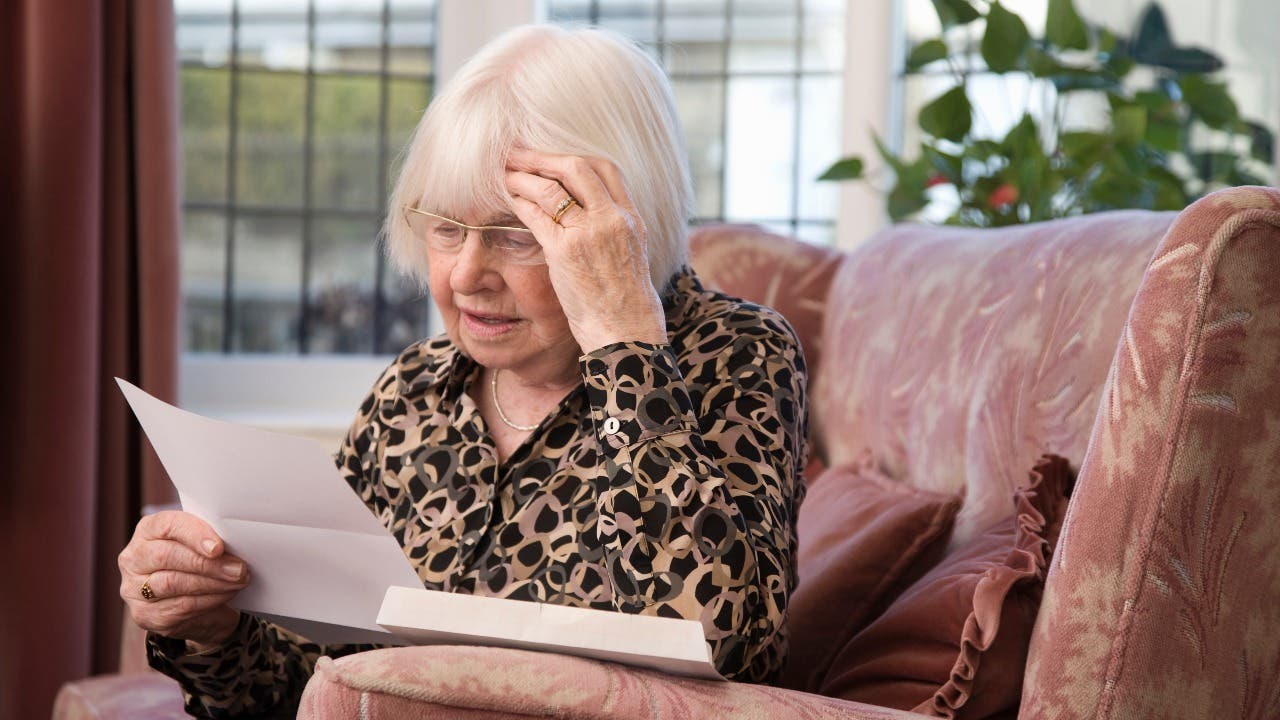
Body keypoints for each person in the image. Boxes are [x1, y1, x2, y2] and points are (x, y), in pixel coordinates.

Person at [117, 24, 808, 717]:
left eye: (516, 235)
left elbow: (722, 641)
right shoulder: (412, 393)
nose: (467, 275)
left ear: (620, 229)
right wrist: (210, 628)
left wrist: (622, 339)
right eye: (445, 228)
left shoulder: (736, 354)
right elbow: (318, 684)